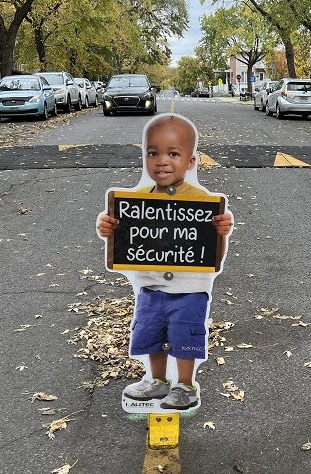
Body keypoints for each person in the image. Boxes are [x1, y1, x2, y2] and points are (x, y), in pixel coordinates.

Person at [97, 114, 232, 410]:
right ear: (144, 157)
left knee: (186, 337)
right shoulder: (135, 202)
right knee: (149, 333)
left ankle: (185, 385)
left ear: (191, 162)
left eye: (173, 153)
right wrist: (107, 228)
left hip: (189, 289)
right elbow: (123, 239)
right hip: (150, 287)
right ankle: (157, 380)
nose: (162, 161)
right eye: (153, 153)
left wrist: (221, 230)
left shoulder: (202, 202)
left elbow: (212, 256)